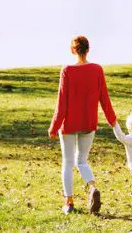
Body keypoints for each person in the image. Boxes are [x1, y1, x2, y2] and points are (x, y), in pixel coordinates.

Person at [48, 36, 117, 215]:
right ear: (88, 50)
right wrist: (112, 120)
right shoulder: (97, 69)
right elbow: (104, 98)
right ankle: (92, 187)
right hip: (88, 123)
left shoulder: (67, 70)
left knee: (68, 163)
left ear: (73, 50)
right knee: (82, 161)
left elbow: (61, 103)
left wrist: (54, 127)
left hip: (69, 124)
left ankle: (69, 202)